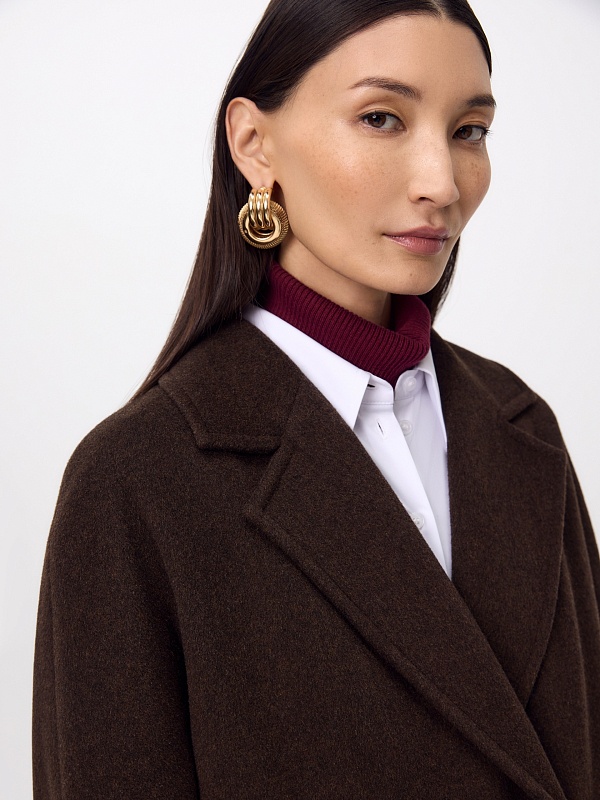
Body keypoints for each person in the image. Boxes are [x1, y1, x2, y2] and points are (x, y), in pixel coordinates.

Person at [32, 0, 600, 797]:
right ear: (253, 144)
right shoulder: (137, 479)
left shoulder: (521, 427)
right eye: (381, 118)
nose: (442, 182)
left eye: (469, 130)